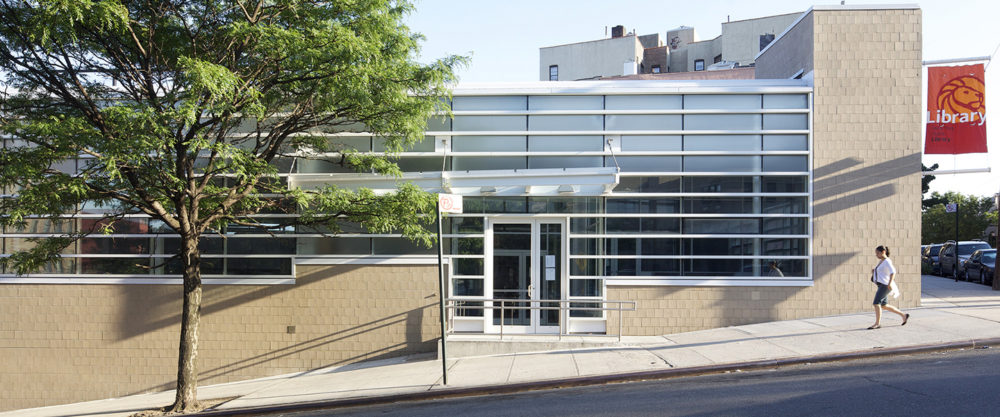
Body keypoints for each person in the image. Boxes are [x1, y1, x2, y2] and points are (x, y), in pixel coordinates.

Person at [868, 245, 909, 329]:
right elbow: (883, 273)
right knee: (884, 305)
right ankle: (904, 315)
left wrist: (889, 283)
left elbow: (893, 272)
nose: (876, 255)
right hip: (881, 285)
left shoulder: (887, 261)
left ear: (883, 252)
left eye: (877, 253)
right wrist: (874, 272)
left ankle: (877, 323)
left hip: (885, 285)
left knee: (876, 303)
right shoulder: (881, 261)